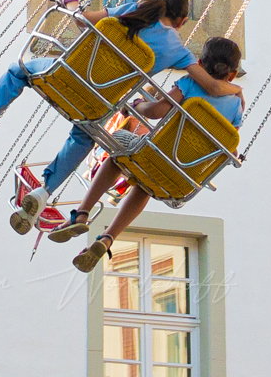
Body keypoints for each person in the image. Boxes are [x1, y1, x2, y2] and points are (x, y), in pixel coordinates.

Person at [0, 0, 242, 233]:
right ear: (183, 21)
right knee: (85, 134)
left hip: (72, 76)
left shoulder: (131, 13)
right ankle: (45, 191)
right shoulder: (178, 51)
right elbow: (213, 87)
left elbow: (80, 22)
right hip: (101, 102)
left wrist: (72, 3)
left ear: (152, 2)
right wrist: (236, 87)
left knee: (18, 71)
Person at [57, 34, 243, 271]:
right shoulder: (237, 106)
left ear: (199, 63)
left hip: (155, 152)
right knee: (147, 184)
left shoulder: (189, 84)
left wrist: (137, 106)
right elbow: (231, 144)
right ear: (232, 75)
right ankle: (108, 238)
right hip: (182, 173)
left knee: (118, 153)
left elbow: (157, 112)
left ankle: (82, 213)